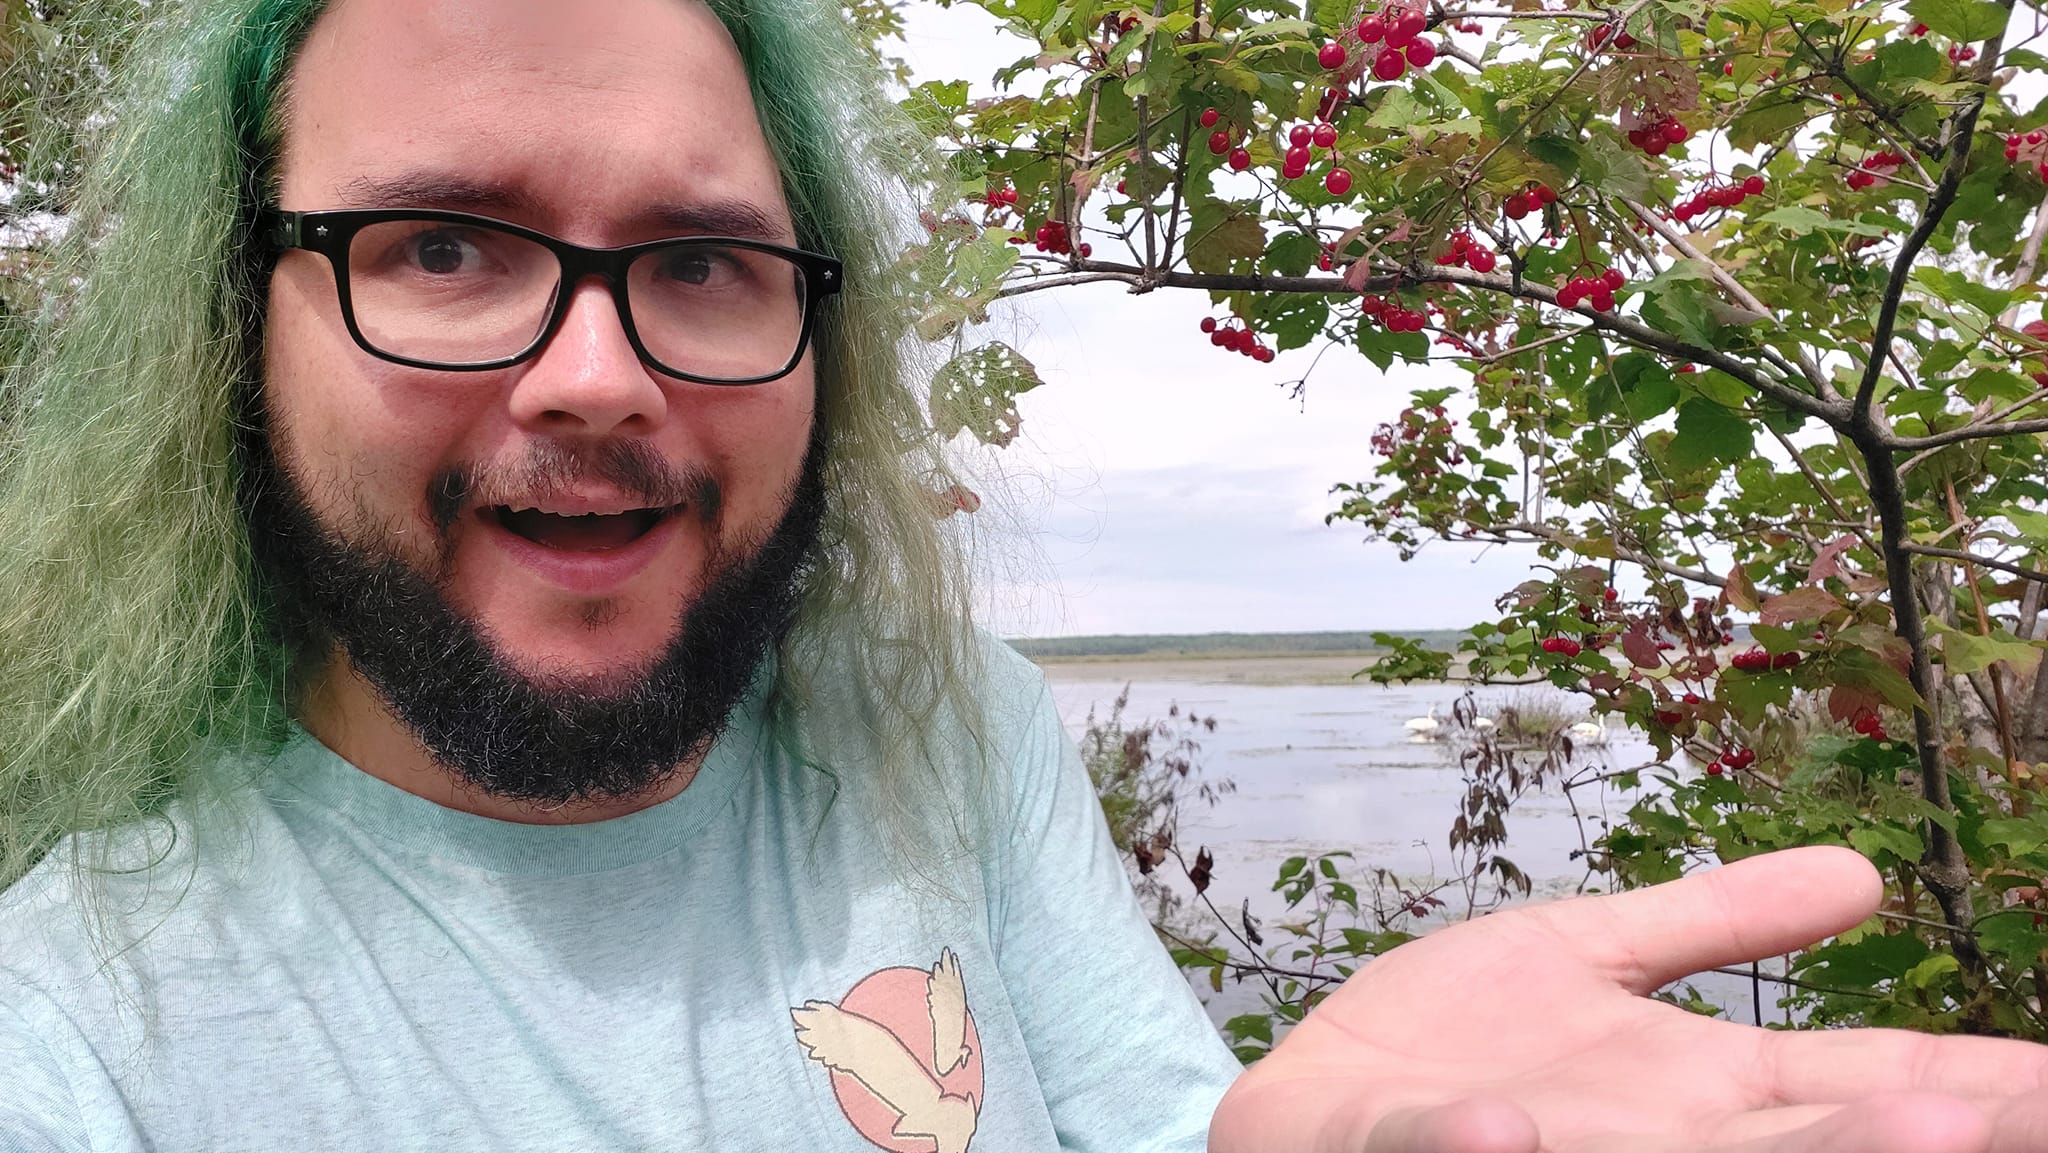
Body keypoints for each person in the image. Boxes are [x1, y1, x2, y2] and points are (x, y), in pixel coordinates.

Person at [4, 1, 2048, 1151]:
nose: (598, 373)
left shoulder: (928, 728)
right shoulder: (73, 1026)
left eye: (704, 261)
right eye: (445, 245)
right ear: (224, 330)